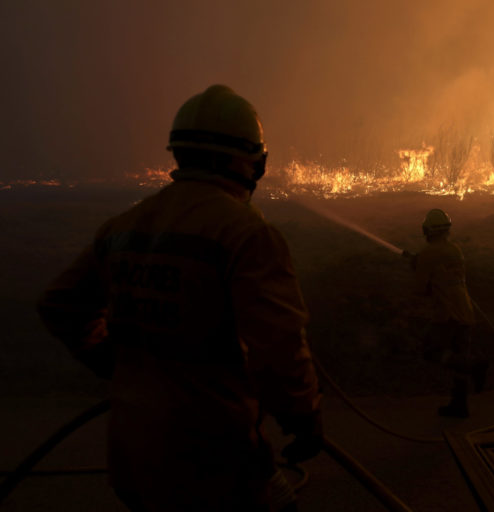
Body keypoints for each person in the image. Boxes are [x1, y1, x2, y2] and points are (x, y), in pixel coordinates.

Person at [37, 85, 322, 512]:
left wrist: (113, 361)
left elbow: (60, 305)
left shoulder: (124, 225)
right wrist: (302, 415)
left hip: (134, 454)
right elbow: (279, 344)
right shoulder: (246, 233)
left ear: (179, 154)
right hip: (215, 456)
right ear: (250, 161)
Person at [403, 209, 488, 418]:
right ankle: (460, 405)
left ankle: (473, 366)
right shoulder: (454, 249)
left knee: (431, 351)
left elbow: (421, 290)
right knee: (459, 353)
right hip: (465, 310)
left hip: (447, 314)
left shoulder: (428, 254)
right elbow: (444, 273)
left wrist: (417, 266)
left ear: (427, 230)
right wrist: (421, 263)